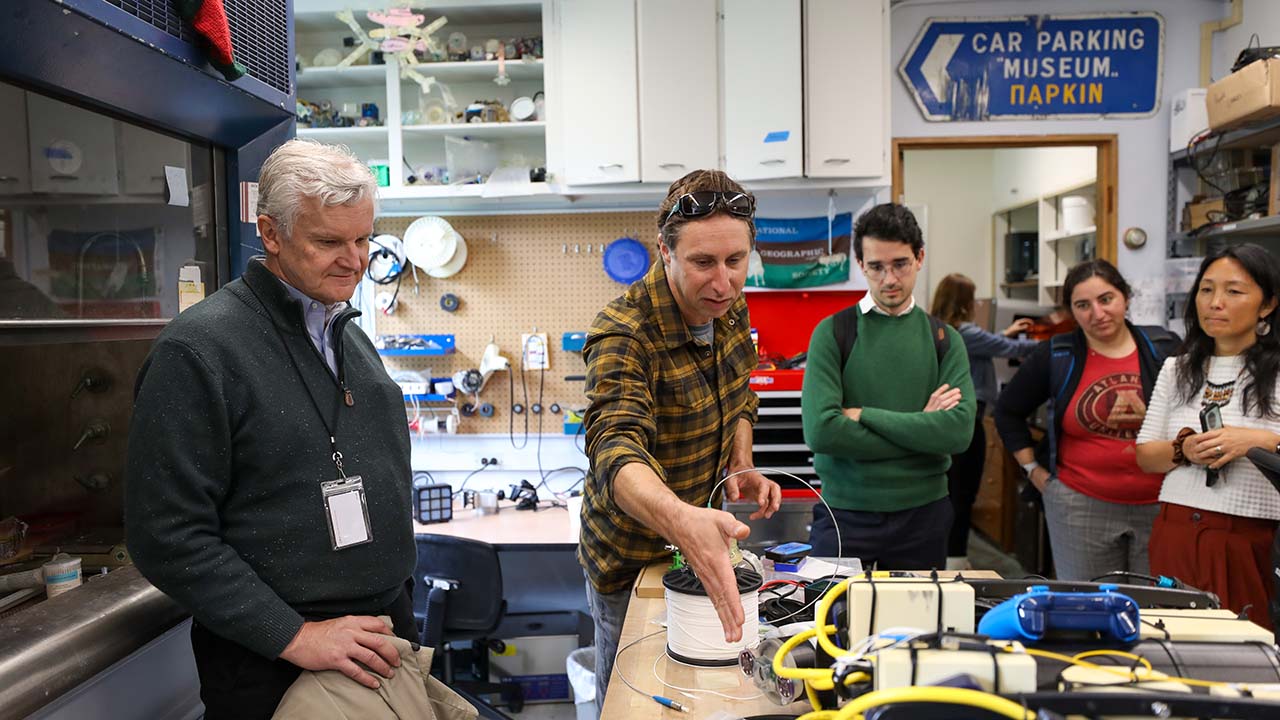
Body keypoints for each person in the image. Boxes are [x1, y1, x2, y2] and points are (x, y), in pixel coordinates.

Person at [124, 139, 417, 719]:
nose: (355, 260)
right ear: (272, 233)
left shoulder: (346, 333)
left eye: (363, 239)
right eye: (329, 241)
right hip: (278, 665)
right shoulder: (199, 351)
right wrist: (296, 636)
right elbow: (167, 535)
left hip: (378, 639)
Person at [579, 170, 781, 712]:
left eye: (735, 261)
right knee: (638, 700)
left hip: (704, 540)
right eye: (703, 263)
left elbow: (740, 391)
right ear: (664, 251)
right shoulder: (624, 334)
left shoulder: (730, 306)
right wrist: (681, 521)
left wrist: (741, 464)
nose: (723, 283)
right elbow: (614, 447)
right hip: (633, 560)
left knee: (716, 689)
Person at [801, 203, 975, 570]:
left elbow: (957, 433)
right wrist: (920, 429)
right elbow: (822, 432)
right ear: (861, 265)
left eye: (900, 264)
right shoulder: (833, 333)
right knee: (829, 624)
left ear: (920, 257)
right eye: (877, 267)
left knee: (915, 628)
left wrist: (865, 415)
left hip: (923, 516)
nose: (890, 279)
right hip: (844, 514)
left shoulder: (945, 339)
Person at [995, 259, 1179, 581]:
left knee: (1159, 611)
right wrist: (1033, 472)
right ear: (1072, 312)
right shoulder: (1056, 354)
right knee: (1088, 610)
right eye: (1083, 305)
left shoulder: (1165, 350)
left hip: (1161, 506)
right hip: (1079, 508)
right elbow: (1007, 412)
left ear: (1125, 298)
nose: (1097, 313)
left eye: (1106, 299)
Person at [1136, 244, 1280, 629]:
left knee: (1245, 652)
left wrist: (1257, 441)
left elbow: (1265, 444)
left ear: (1266, 305)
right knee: (1170, 644)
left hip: (1250, 537)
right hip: (1176, 528)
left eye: (1234, 292)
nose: (1215, 303)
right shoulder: (1176, 368)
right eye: (1206, 289)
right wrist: (1184, 449)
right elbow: (1146, 456)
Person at [930, 273, 1038, 569]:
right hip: (968, 421)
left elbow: (991, 342)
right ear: (964, 301)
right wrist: (1052, 342)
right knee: (963, 493)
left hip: (946, 423)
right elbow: (1010, 350)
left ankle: (950, 554)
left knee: (951, 491)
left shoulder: (939, 329)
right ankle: (956, 558)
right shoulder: (965, 331)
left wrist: (1008, 330)